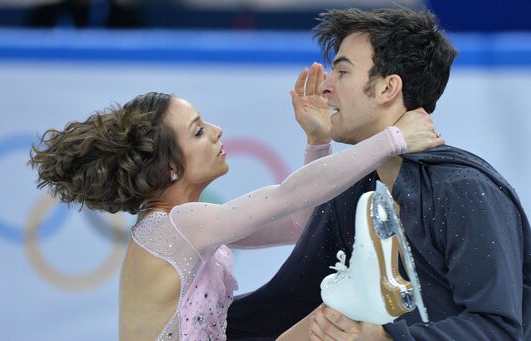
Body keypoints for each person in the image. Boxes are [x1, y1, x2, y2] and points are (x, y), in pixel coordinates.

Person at [28, 89, 441, 340]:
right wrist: (394, 138)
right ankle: (366, 284)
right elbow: (288, 196)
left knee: (328, 319)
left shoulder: (184, 228)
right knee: (335, 315)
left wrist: (318, 140)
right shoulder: (177, 226)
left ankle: (366, 285)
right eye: (197, 130)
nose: (217, 129)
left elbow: (301, 224)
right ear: (170, 167)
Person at [226, 7, 531, 341]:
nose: (326, 86)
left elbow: (499, 328)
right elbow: (287, 303)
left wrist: (387, 338)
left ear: (388, 88)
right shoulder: (354, 188)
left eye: (342, 72)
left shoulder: (464, 190)